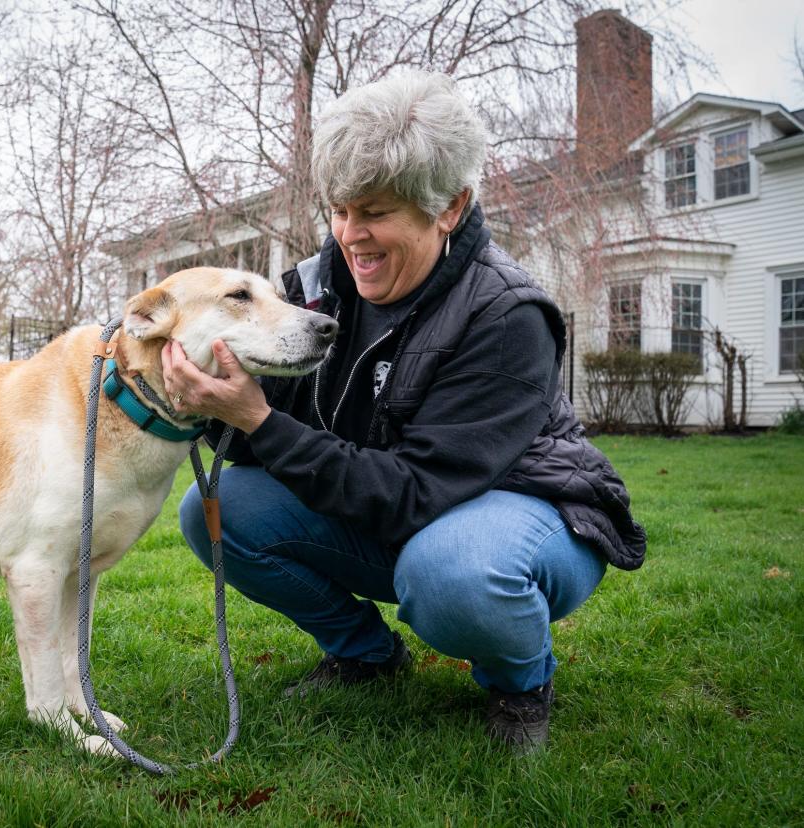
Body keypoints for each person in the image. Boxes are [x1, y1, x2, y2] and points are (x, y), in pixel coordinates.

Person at [162, 70, 646, 751]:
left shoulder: (506, 315)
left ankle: (522, 680)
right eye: (340, 209)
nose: (350, 234)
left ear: (448, 207)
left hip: (524, 511)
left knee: (453, 571)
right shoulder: (313, 288)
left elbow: (415, 492)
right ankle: (365, 655)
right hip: (401, 511)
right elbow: (263, 445)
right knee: (213, 511)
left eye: (377, 212)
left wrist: (257, 419)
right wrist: (208, 401)